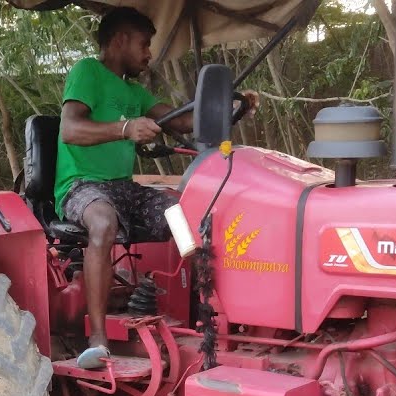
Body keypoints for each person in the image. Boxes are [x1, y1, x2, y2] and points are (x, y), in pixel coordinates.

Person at [54, 7, 253, 368]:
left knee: (185, 218)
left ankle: (206, 318)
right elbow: (70, 130)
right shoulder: (88, 72)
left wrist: (230, 106)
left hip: (123, 189)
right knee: (101, 222)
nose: (148, 55)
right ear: (120, 41)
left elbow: (182, 121)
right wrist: (125, 128)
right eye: (144, 45)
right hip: (80, 185)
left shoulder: (134, 90)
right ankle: (98, 339)